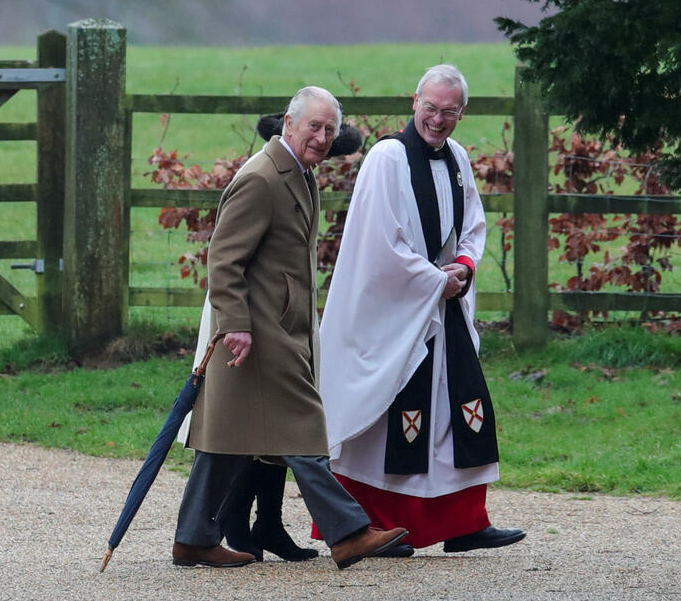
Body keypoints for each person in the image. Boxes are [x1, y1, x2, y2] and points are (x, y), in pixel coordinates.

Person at [172, 86, 408, 570]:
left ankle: (193, 538)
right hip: (259, 333)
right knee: (304, 427)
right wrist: (235, 325)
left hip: (283, 328)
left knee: (228, 439)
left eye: (329, 130)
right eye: (314, 127)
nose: (322, 138)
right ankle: (349, 533)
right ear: (288, 123)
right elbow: (223, 260)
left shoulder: (300, 175)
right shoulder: (262, 178)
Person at [316, 65, 525, 555]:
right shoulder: (387, 159)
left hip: (442, 304)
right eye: (430, 108)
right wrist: (435, 280)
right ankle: (372, 526)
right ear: (415, 102)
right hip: (394, 311)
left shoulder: (457, 158)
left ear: (461, 114)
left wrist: (465, 269)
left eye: (448, 112)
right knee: (388, 416)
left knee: (456, 412)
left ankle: (465, 523)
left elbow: (473, 224)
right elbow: (379, 242)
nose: (437, 120)